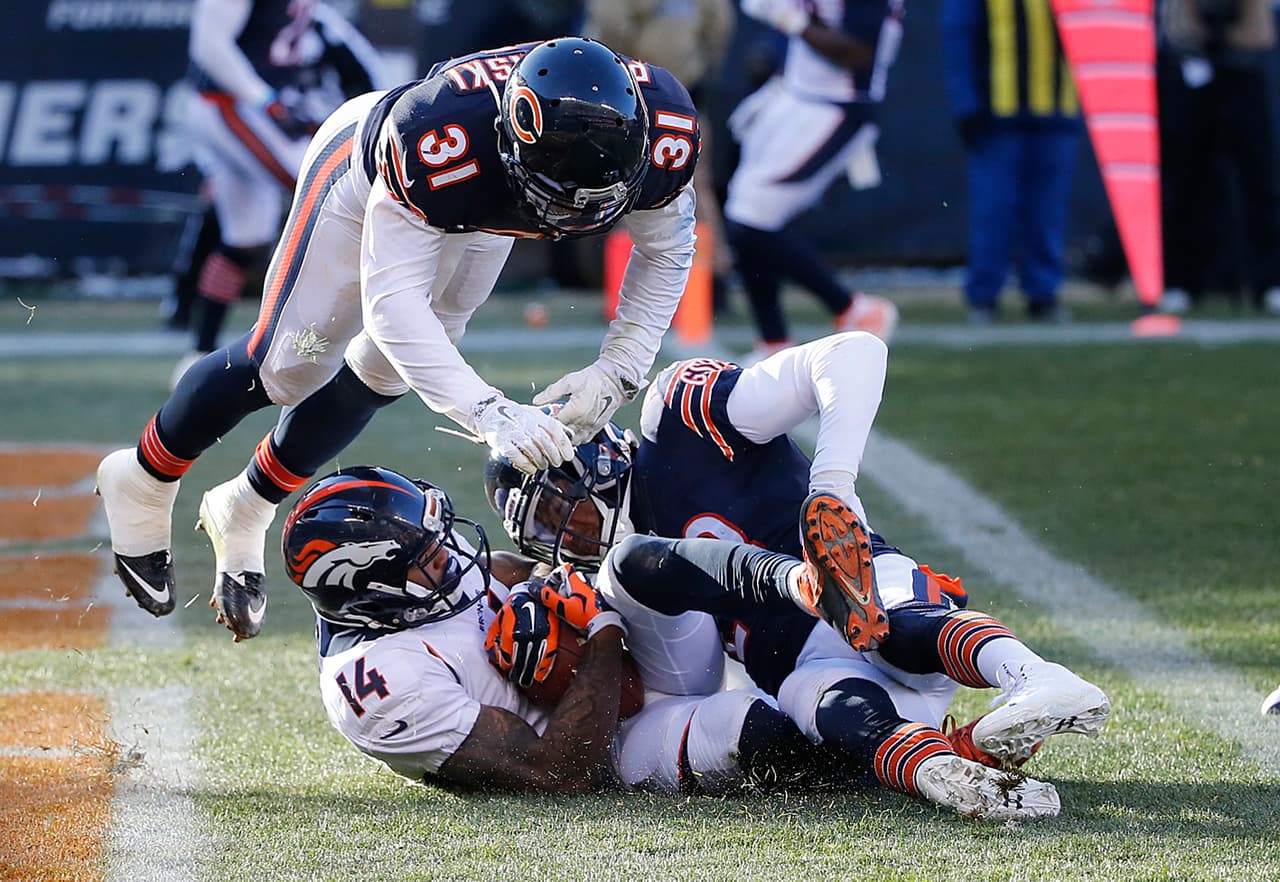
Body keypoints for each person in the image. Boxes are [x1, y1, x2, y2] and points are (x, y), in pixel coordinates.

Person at [95, 36, 702, 642]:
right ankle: (144, 477)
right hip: (370, 178)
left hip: (488, 207)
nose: (569, 221)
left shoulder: (663, 129)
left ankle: (247, 504)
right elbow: (392, 307)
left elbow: (667, 249)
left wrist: (618, 366)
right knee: (289, 363)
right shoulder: (439, 139)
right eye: (559, 201)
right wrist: (489, 412)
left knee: (386, 371)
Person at [484, 332, 1111, 814]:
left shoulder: (676, 423)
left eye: (557, 508)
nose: (567, 535)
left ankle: (1035, 677)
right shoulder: (619, 579)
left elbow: (854, 351)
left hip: (858, 584)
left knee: (880, 622)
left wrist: (831, 484)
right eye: (542, 531)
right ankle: (950, 771)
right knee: (823, 702)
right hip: (801, 666)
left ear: (586, 453)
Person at [281, 466, 829, 795]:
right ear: (372, 590)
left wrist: (541, 593)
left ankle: (810, 595)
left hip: (641, 660)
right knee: (761, 729)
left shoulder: (427, 583)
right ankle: (889, 744)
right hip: (616, 743)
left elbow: (525, 570)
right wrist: (601, 634)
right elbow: (555, 772)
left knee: (637, 563)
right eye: (426, 558)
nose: (449, 556)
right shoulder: (377, 685)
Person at [724, 0, 902, 360]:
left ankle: (854, 308)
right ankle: (773, 343)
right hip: (793, 95)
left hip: (837, 107)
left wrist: (786, 17)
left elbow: (856, 53)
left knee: (750, 220)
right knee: (744, 212)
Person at [940, 0, 1082, 324]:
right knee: (994, 208)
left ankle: (1043, 294)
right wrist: (966, 103)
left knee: (1049, 209)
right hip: (996, 114)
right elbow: (958, 33)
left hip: (1058, 110)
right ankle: (984, 296)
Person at [1155, 0, 1280, 316]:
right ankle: (1179, 282)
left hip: (1246, 61)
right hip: (1189, 57)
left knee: (1260, 176)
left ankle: (1269, 282)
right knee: (1184, 177)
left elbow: (1257, 34)